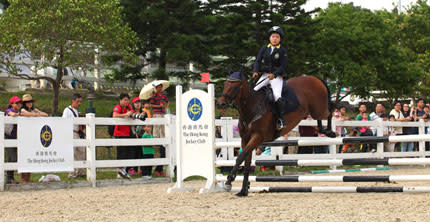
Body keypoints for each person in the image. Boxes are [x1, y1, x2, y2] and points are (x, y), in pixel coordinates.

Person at [252, 26, 287, 130]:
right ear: (269, 38)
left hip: (276, 77)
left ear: (280, 39)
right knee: (254, 90)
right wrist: (255, 71)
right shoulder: (264, 48)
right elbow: (258, 60)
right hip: (265, 74)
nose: (275, 39)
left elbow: (283, 66)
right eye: (273, 36)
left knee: (277, 96)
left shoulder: (282, 50)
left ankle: (281, 119)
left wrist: (275, 74)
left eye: (277, 37)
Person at [20, 94, 48, 183]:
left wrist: (36, 113)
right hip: (24, 134)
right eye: (27, 102)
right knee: (23, 156)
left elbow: (45, 115)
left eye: (30, 102)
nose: (30, 103)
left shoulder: (33, 110)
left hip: (31, 135)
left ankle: (27, 177)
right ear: (24, 103)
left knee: (30, 155)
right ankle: (22, 178)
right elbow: (24, 113)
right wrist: (35, 114)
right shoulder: (22, 109)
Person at [62, 93, 86, 178]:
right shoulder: (67, 110)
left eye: (80, 101)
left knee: (81, 152)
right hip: (71, 132)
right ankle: (71, 173)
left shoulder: (76, 111)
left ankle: (80, 171)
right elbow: (64, 122)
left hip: (78, 133)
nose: (79, 103)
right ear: (73, 101)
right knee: (72, 153)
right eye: (77, 101)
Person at [112, 93, 134, 179]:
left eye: (128, 100)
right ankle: (119, 171)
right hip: (119, 133)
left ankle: (124, 170)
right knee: (121, 153)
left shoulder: (128, 107)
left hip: (127, 133)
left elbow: (132, 114)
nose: (126, 101)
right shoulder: (118, 107)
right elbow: (115, 115)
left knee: (127, 153)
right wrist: (126, 114)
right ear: (120, 100)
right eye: (125, 100)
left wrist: (132, 115)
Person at [150, 83, 169, 177]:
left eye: (161, 86)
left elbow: (167, 102)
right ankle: (156, 138)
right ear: (156, 88)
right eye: (158, 87)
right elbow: (151, 105)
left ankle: (162, 138)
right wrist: (159, 106)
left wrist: (165, 106)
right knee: (157, 127)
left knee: (163, 128)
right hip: (157, 113)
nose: (160, 88)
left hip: (163, 113)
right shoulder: (154, 95)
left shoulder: (164, 95)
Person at [4, 96, 22, 184]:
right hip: (8, 136)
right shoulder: (9, 110)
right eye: (17, 103)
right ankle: (9, 178)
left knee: (13, 158)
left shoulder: (19, 111)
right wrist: (20, 114)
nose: (19, 104)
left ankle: (9, 178)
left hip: (16, 137)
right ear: (12, 104)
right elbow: (13, 115)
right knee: (13, 157)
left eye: (19, 103)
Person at [129, 97, 144, 176]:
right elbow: (132, 117)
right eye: (136, 103)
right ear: (133, 104)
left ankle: (142, 169)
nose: (138, 104)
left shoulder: (144, 112)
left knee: (141, 152)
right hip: (134, 134)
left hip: (142, 134)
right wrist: (139, 115)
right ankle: (134, 169)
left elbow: (146, 120)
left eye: (139, 102)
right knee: (134, 151)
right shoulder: (131, 112)